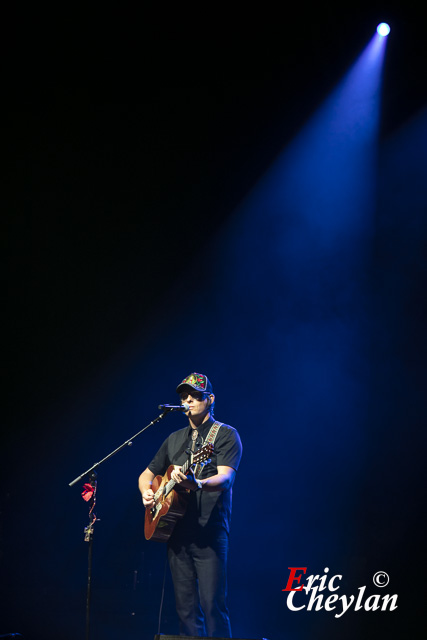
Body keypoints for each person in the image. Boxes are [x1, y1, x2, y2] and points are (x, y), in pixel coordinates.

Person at [138, 372, 243, 638]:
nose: (189, 400)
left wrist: (197, 483)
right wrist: (147, 493)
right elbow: (146, 475)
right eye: (185, 396)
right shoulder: (174, 439)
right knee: (185, 609)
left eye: (196, 396)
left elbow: (226, 478)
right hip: (177, 533)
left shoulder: (225, 435)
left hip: (209, 533)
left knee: (212, 606)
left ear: (210, 399)